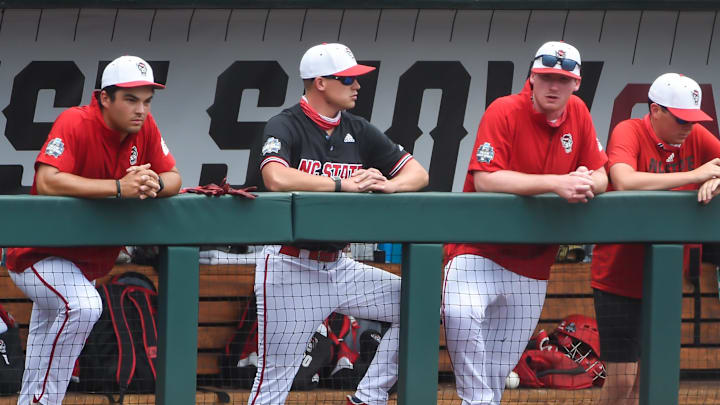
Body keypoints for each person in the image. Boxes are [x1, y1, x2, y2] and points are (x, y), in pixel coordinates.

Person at [250, 42, 428, 405]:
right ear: (319, 82)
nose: (357, 86)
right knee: (274, 382)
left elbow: (418, 173)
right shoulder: (285, 124)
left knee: (423, 303)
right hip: (290, 266)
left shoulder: (358, 129)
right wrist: (341, 184)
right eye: (347, 78)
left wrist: (389, 184)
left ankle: (369, 397)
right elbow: (276, 178)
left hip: (341, 268)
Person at [5, 55, 181, 405]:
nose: (141, 110)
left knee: (51, 330)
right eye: (131, 99)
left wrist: (151, 183)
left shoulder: (145, 128)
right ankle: (44, 399)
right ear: (104, 98)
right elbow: (47, 180)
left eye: (146, 100)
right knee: (85, 306)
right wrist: (118, 188)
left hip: (84, 264)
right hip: (37, 254)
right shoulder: (75, 121)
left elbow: (174, 177)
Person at [442, 41, 608, 405]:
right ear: (532, 77)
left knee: (499, 369)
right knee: (458, 314)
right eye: (547, 77)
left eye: (563, 80)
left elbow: (603, 173)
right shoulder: (504, 109)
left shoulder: (578, 113)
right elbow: (486, 180)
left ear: (576, 83)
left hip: (533, 264)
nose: (554, 86)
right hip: (478, 250)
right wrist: (556, 183)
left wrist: (587, 181)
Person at [591, 73, 720, 405]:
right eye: (681, 119)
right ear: (655, 110)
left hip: (662, 281)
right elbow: (623, 179)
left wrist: (717, 181)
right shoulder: (630, 130)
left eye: (693, 120)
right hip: (618, 279)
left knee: (650, 383)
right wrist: (696, 175)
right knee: (622, 383)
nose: (688, 127)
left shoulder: (696, 136)